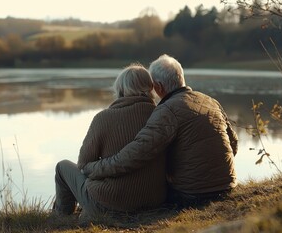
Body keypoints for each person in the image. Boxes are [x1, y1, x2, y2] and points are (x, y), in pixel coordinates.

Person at [82, 54, 238, 207]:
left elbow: (134, 155)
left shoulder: (167, 110)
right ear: (181, 77)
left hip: (192, 195)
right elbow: (233, 143)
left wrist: (92, 168)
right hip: (228, 185)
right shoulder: (211, 101)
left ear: (158, 87)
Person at [53, 63, 167, 219]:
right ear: (150, 88)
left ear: (120, 89)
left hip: (111, 202)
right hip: (154, 200)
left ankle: (61, 218)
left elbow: (83, 165)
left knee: (62, 167)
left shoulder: (103, 118)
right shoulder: (161, 117)